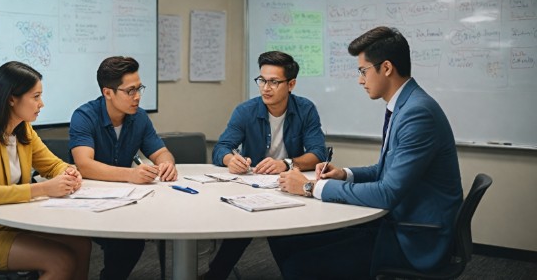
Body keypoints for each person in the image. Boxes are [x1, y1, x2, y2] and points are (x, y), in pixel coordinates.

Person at [272, 26, 463, 279]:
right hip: (396, 222)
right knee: (287, 240)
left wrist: (309, 188)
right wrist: (344, 174)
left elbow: (387, 193)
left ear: (386, 68)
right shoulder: (405, 105)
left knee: (299, 265)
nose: (360, 79)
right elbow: (384, 171)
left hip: (416, 238)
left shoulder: (417, 113)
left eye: (363, 71)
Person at [0, 61, 91, 279]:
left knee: (81, 244)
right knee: (61, 261)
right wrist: (43, 189)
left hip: (7, 224)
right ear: (12, 98)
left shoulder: (23, 129)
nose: (41, 104)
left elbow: (52, 165)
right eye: (36, 97)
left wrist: (68, 172)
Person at [203, 51, 327, 280]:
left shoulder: (305, 109)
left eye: (274, 82)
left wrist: (287, 164)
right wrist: (232, 160)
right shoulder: (246, 110)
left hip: (292, 186)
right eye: (262, 80)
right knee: (246, 221)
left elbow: (318, 153)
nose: (265, 88)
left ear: (291, 84)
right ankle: (216, 274)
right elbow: (220, 148)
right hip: (252, 187)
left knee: (286, 233)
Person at [70, 56, 177, 279]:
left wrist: (167, 164)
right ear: (107, 92)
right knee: (126, 243)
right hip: (88, 203)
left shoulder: (139, 117)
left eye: (139, 89)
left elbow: (161, 152)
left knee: (132, 241)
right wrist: (131, 174)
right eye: (130, 91)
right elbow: (84, 165)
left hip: (124, 201)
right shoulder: (84, 116)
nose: (137, 97)